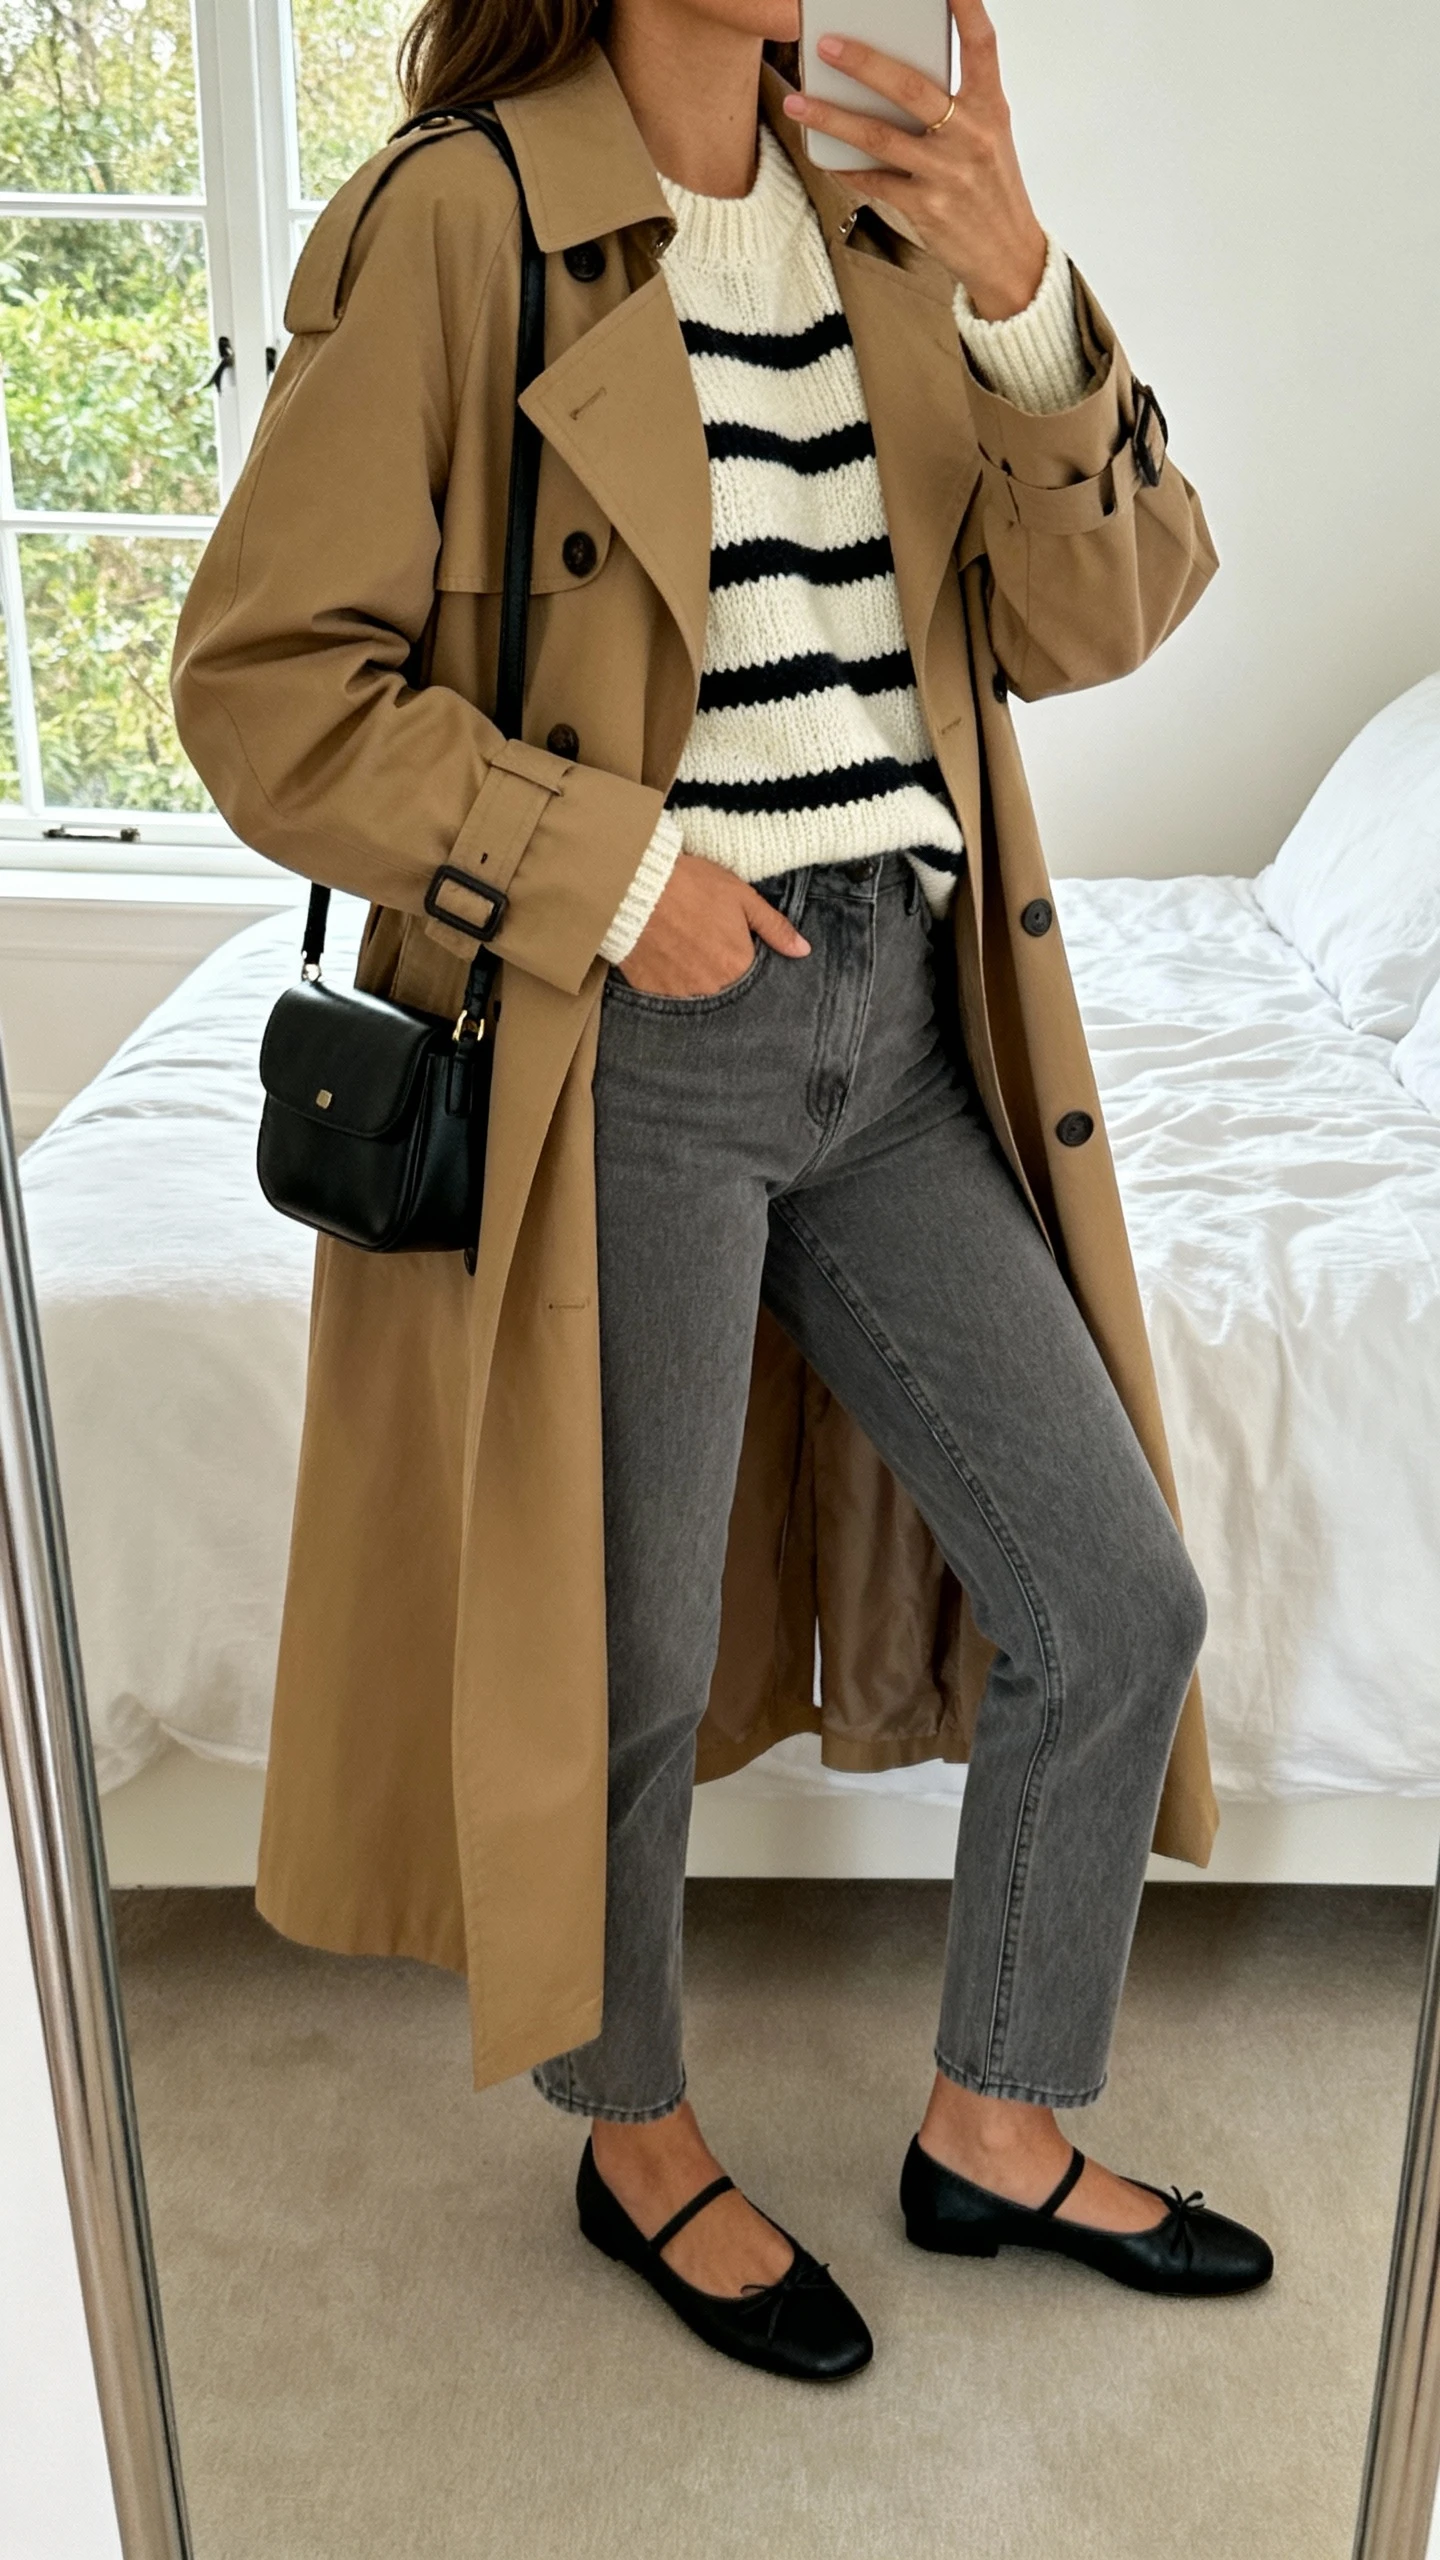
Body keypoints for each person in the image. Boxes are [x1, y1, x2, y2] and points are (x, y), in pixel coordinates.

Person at [172, 0, 1272, 2385]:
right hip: (629, 1035)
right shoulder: (458, 216)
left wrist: (1022, 288)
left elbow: (1102, 613)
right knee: (625, 1657)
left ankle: (994, 2115)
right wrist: (616, 872)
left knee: (1116, 1594)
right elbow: (265, 688)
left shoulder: (886, 208)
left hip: (905, 1015)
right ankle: (637, 2133)